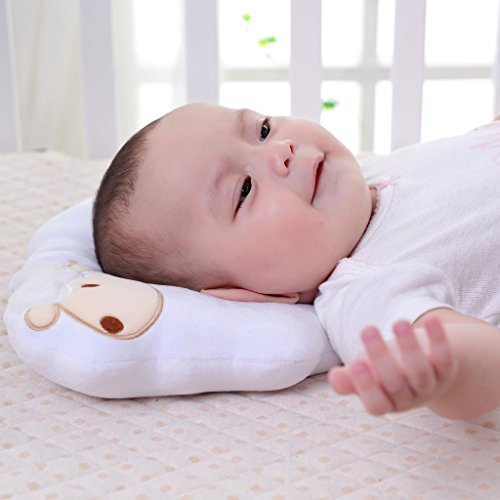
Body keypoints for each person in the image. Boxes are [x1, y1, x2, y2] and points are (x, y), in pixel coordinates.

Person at [93, 103, 500, 420]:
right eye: (244, 189)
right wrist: (439, 368)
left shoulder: (374, 171)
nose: (280, 150)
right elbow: (478, 363)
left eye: (262, 129)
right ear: (246, 292)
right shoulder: (364, 291)